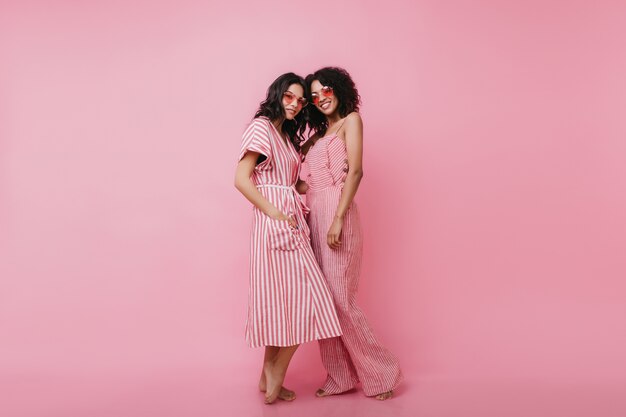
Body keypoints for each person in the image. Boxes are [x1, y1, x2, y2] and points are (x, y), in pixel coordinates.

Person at [234, 72, 342, 404]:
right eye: (289, 97)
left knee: (285, 303)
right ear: (277, 95)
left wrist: (324, 190)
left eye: (300, 99)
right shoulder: (262, 127)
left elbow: (290, 182)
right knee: (307, 299)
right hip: (275, 221)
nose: (295, 104)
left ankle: (267, 381)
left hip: (291, 218)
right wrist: (275, 213)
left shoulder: (284, 135)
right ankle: (275, 375)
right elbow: (241, 179)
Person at [300, 67, 402, 401]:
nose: (320, 99)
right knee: (323, 302)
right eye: (314, 96)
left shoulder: (351, 121)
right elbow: (307, 182)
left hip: (337, 211)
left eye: (325, 90)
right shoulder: (317, 136)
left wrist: (338, 218)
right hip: (315, 212)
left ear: (339, 90)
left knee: (342, 299)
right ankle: (340, 376)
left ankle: (381, 373)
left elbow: (355, 171)